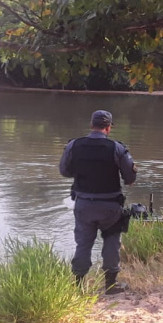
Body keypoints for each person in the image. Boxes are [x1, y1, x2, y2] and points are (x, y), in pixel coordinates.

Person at [59, 110, 137, 295]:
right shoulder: (116, 148)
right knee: (111, 242)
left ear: (91, 125)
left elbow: (64, 171)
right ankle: (110, 285)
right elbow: (130, 177)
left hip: (84, 205)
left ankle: (79, 285)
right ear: (108, 128)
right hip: (110, 206)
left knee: (83, 244)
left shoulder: (73, 145)